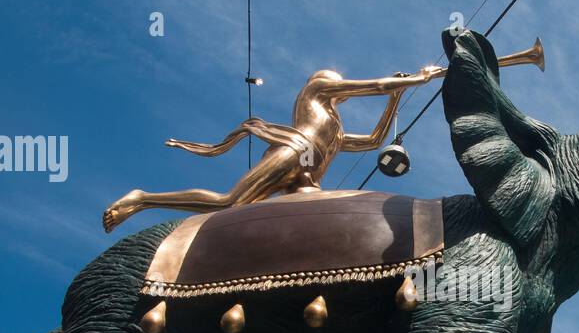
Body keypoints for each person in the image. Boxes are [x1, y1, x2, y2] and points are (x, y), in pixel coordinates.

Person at [102, 63, 442, 231]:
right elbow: (378, 84)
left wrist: (397, 97)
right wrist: (416, 79)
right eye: (337, 80)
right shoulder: (316, 94)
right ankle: (143, 198)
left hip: (307, 180)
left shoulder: (336, 130)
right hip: (295, 151)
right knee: (230, 202)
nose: (342, 85)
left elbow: (373, 141)